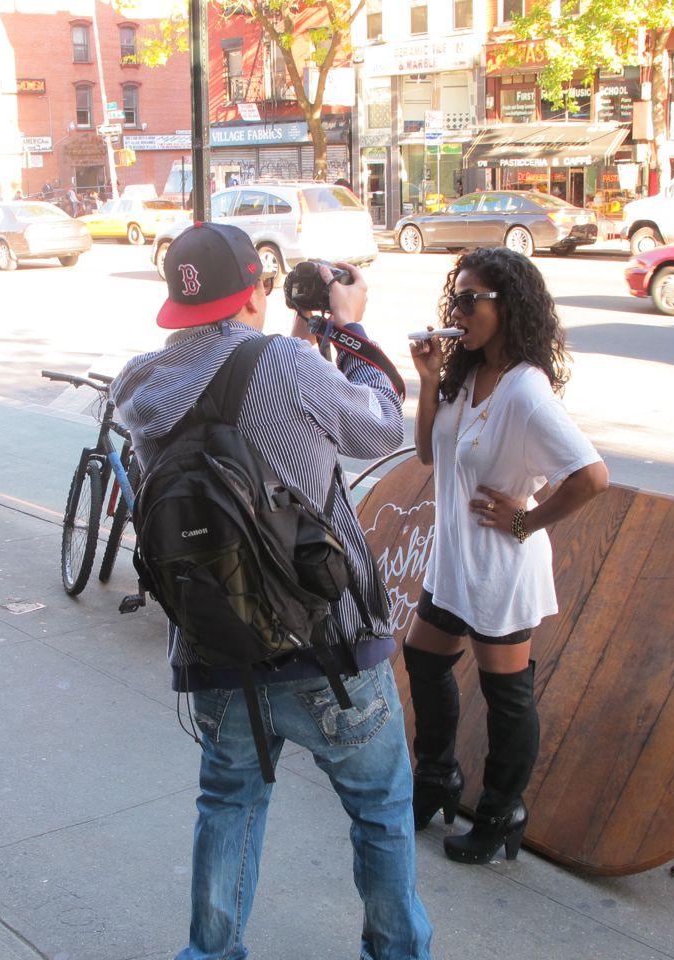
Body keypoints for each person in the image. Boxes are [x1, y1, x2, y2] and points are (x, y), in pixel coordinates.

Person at [111, 223, 432, 959]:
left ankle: (210, 952)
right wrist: (348, 329)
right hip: (328, 647)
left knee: (228, 804)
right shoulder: (289, 364)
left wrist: (295, 345)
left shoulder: (141, 384)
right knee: (380, 809)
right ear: (255, 292)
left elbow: (233, 392)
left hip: (216, 647)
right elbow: (380, 427)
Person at [406, 246, 609, 865]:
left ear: (508, 307)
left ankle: (502, 810)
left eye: (471, 300)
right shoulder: (466, 374)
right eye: (456, 299)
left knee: (507, 695)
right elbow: (428, 455)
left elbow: (591, 476)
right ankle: (437, 777)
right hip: (454, 561)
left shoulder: (525, 391)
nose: (458, 312)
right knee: (423, 659)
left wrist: (525, 519)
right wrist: (430, 381)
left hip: (498, 568)